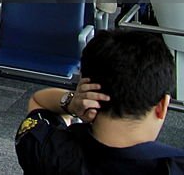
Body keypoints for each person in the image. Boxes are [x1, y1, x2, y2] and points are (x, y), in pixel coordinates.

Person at [15, 29, 184, 174]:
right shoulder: (175, 166)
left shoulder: (43, 149)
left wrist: (72, 104)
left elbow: (38, 101)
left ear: (88, 90)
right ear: (162, 106)